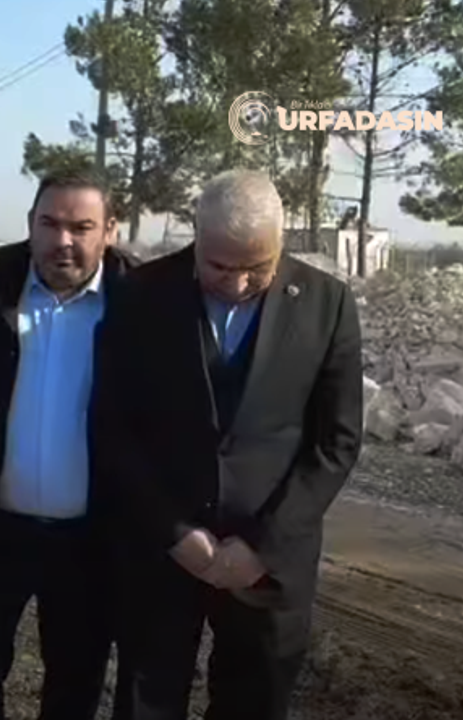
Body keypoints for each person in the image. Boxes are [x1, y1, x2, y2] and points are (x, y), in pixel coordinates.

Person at [90, 169, 363, 720]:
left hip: (269, 561)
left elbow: (334, 441)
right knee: (146, 699)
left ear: (280, 243)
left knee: (255, 701)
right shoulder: (140, 295)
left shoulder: (326, 304)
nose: (237, 284)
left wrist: (261, 544)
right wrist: (173, 532)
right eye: (218, 267)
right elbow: (113, 428)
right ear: (196, 236)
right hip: (163, 552)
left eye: (256, 268)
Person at [0, 171, 137, 720]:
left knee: (75, 683)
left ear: (110, 231)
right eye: (49, 223)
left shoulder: (138, 308)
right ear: (30, 224)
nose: (62, 241)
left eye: (81, 227)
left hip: (89, 540)